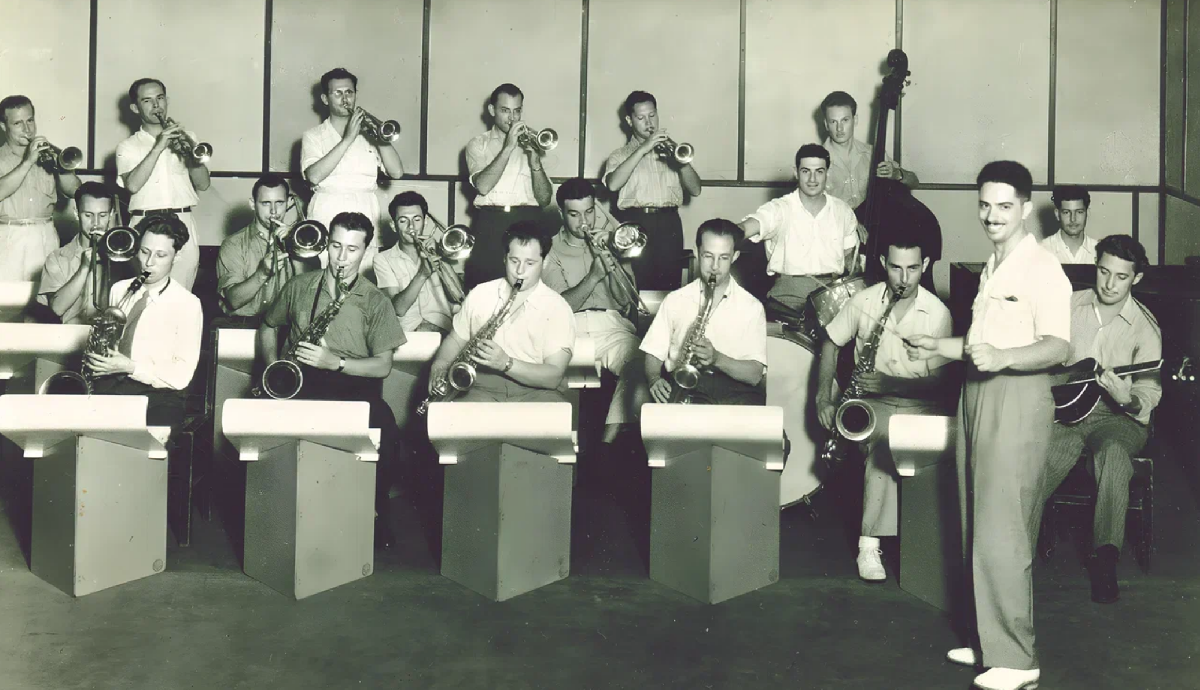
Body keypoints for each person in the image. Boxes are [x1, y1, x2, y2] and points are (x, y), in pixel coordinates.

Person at [907, 161, 1071, 690]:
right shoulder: (994, 265)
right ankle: (987, 641)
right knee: (974, 519)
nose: (992, 215)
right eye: (984, 205)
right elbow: (982, 345)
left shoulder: (1042, 267)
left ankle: (1019, 661)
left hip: (1018, 398)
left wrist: (1003, 358)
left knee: (1004, 529)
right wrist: (938, 346)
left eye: (1004, 206)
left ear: (1025, 207)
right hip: (976, 394)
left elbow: (1058, 346)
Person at [259, 211, 407, 548]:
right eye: (336, 246)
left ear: (365, 251)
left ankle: (374, 512)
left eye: (352, 249)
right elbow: (268, 326)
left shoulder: (376, 300)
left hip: (351, 384)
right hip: (300, 381)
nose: (341, 257)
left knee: (386, 433)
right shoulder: (299, 286)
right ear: (326, 244)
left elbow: (383, 366)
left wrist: (335, 362)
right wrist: (273, 368)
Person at [815, 227, 952, 582]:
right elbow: (830, 342)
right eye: (895, 268)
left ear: (925, 264)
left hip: (920, 404)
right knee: (883, 444)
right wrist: (823, 396)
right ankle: (869, 545)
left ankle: (908, 544)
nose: (903, 279)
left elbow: (941, 382)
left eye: (912, 268)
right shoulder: (864, 301)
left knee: (895, 440)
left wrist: (893, 383)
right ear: (882, 263)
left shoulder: (937, 313)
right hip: (874, 404)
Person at [1042, 235, 1161, 604]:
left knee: (1112, 454)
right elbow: (1042, 355)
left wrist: (1127, 399)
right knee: (1037, 459)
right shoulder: (1069, 305)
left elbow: (1149, 394)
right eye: (1104, 272)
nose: (1109, 284)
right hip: (1065, 412)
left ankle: (1105, 558)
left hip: (1117, 418)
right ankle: (1012, 548)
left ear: (1136, 279)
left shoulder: (1145, 328)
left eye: (1121, 277)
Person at [427, 220, 574, 404]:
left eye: (530, 263)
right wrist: (439, 365)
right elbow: (456, 340)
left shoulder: (558, 307)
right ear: (505, 258)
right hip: (481, 388)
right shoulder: (480, 293)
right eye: (514, 261)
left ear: (545, 262)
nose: (520, 271)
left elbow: (553, 376)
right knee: (447, 415)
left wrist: (506, 363)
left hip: (536, 391)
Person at [84, 213, 203, 436]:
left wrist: (131, 367)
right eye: (145, 251)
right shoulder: (119, 289)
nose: (149, 263)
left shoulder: (188, 304)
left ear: (177, 257)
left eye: (161, 255)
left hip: (159, 396)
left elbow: (182, 374)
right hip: (113, 386)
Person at [642, 219, 766, 407]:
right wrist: (654, 379)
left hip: (735, 392)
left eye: (723, 257)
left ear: (735, 256)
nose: (715, 266)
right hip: (684, 386)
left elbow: (755, 375)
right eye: (708, 256)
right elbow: (653, 353)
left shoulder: (752, 307)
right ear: (696, 252)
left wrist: (716, 358)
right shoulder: (675, 300)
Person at [300, 68, 405, 277]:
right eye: (337, 93)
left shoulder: (369, 134)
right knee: (326, 276)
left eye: (349, 92)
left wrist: (379, 138)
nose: (345, 98)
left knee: (364, 279)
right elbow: (313, 176)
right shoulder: (313, 136)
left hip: (366, 210)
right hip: (328, 211)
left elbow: (397, 172)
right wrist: (348, 138)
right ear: (325, 99)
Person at [737, 144, 859, 313]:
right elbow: (750, 226)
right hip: (788, 297)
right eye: (806, 171)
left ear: (828, 173)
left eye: (819, 171)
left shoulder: (843, 210)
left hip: (832, 296)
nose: (812, 179)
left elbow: (851, 261)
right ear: (796, 172)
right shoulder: (779, 208)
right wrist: (727, 234)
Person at [603, 90, 702, 290]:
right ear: (629, 121)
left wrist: (680, 162)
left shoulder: (672, 152)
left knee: (669, 289)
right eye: (641, 118)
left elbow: (695, 189)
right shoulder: (619, 155)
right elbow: (613, 184)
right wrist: (643, 149)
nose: (649, 123)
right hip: (635, 223)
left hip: (669, 224)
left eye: (652, 115)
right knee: (637, 286)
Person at [542, 178, 639, 378]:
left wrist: (614, 255)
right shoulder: (549, 249)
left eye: (589, 211)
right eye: (574, 214)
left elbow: (625, 301)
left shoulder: (615, 242)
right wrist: (594, 277)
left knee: (638, 371)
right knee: (557, 378)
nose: (584, 222)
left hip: (612, 329)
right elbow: (560, 308)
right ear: (561, 214)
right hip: (570, 330)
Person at [115, 78, 207, 290]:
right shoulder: (127, 146)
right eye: (147, 100)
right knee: (145, 294)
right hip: (144, 223)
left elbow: (203, 184)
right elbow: (132, 186)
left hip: (183, 220)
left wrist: (190, 155)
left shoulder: (188, 137)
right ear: (135, 108)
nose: (156, 105)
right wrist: (159, 146)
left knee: (182, 293)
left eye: (160, 98)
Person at [463, 83, 552, 289]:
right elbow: (483, 186)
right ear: (492, 110)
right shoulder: (478, 144)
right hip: (491, 223)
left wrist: (536, 163)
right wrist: (509, 147)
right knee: (485, 288)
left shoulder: (533, 143)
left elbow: (545, 199)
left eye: (517, 111)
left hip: (528, 221)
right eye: (505, 110)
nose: (512, 118)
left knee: (527, 289)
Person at [216, 174, 317, 326]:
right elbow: (234, 301)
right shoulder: (233, 244)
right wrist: (262, 273)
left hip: (285, 327)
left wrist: (295, 248)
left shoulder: (302, 241)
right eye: (265, 203)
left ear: (289, 203)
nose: (273, 211)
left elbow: (308, 294)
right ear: (252, 204)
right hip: (243, 326)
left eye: (279, 203)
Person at [0, 95, 81, 282]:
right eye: (18, 123)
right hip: (8, 235)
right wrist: (29, 161)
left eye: (30, 120)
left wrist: (62, 168)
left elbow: (75, 191)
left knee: (45, 295)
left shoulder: (50, 155)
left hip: (45, 234)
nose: (27, 129)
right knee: (5, 296)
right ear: (3, 126)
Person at [374, 191, 457, 334]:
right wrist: (422, 274)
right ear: (393, 225)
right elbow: (398, 309)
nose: (411, 226)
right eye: (403, 221)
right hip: (407, 334)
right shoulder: (382, 259)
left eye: (417, 219)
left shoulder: (438, 251)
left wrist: (440, 256)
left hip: (442, 330)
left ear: (425, 221)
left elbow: (458, 296)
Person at [820, 90, 918, 211]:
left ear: (855, 120)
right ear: (826, 124)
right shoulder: (814, 161)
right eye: (833, 121)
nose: (839, 128)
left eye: (845, 120)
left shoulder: (872, 153)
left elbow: (914, 181)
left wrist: (896, 174)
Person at [40, 182, 118, 325]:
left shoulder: (123, 255)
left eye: (103, 215)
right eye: (88, 215)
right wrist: (84, 267)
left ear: (111, 214)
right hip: (69, 333)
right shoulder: (57, 258)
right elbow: (57, 309)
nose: (96, 223)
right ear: (76, 213)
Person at [1043, 185, 1097, 265]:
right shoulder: (1042, 250)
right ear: (1057, 214)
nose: (1073, 219)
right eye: (1066, 212)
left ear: (1087, 213)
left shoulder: (1099, 251)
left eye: (1079, 212)